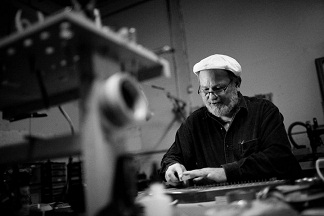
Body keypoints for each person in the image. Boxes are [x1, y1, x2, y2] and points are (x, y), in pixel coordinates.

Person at [160, 54, 302, 186]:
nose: (211, 97)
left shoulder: (264, 111)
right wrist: (172, 167)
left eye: (218, 88)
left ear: (237, 83)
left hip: (263, 197)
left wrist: (227, 172)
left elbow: (280, 157)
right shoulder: (194, 123)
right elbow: (172, 156)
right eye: (205, 90)